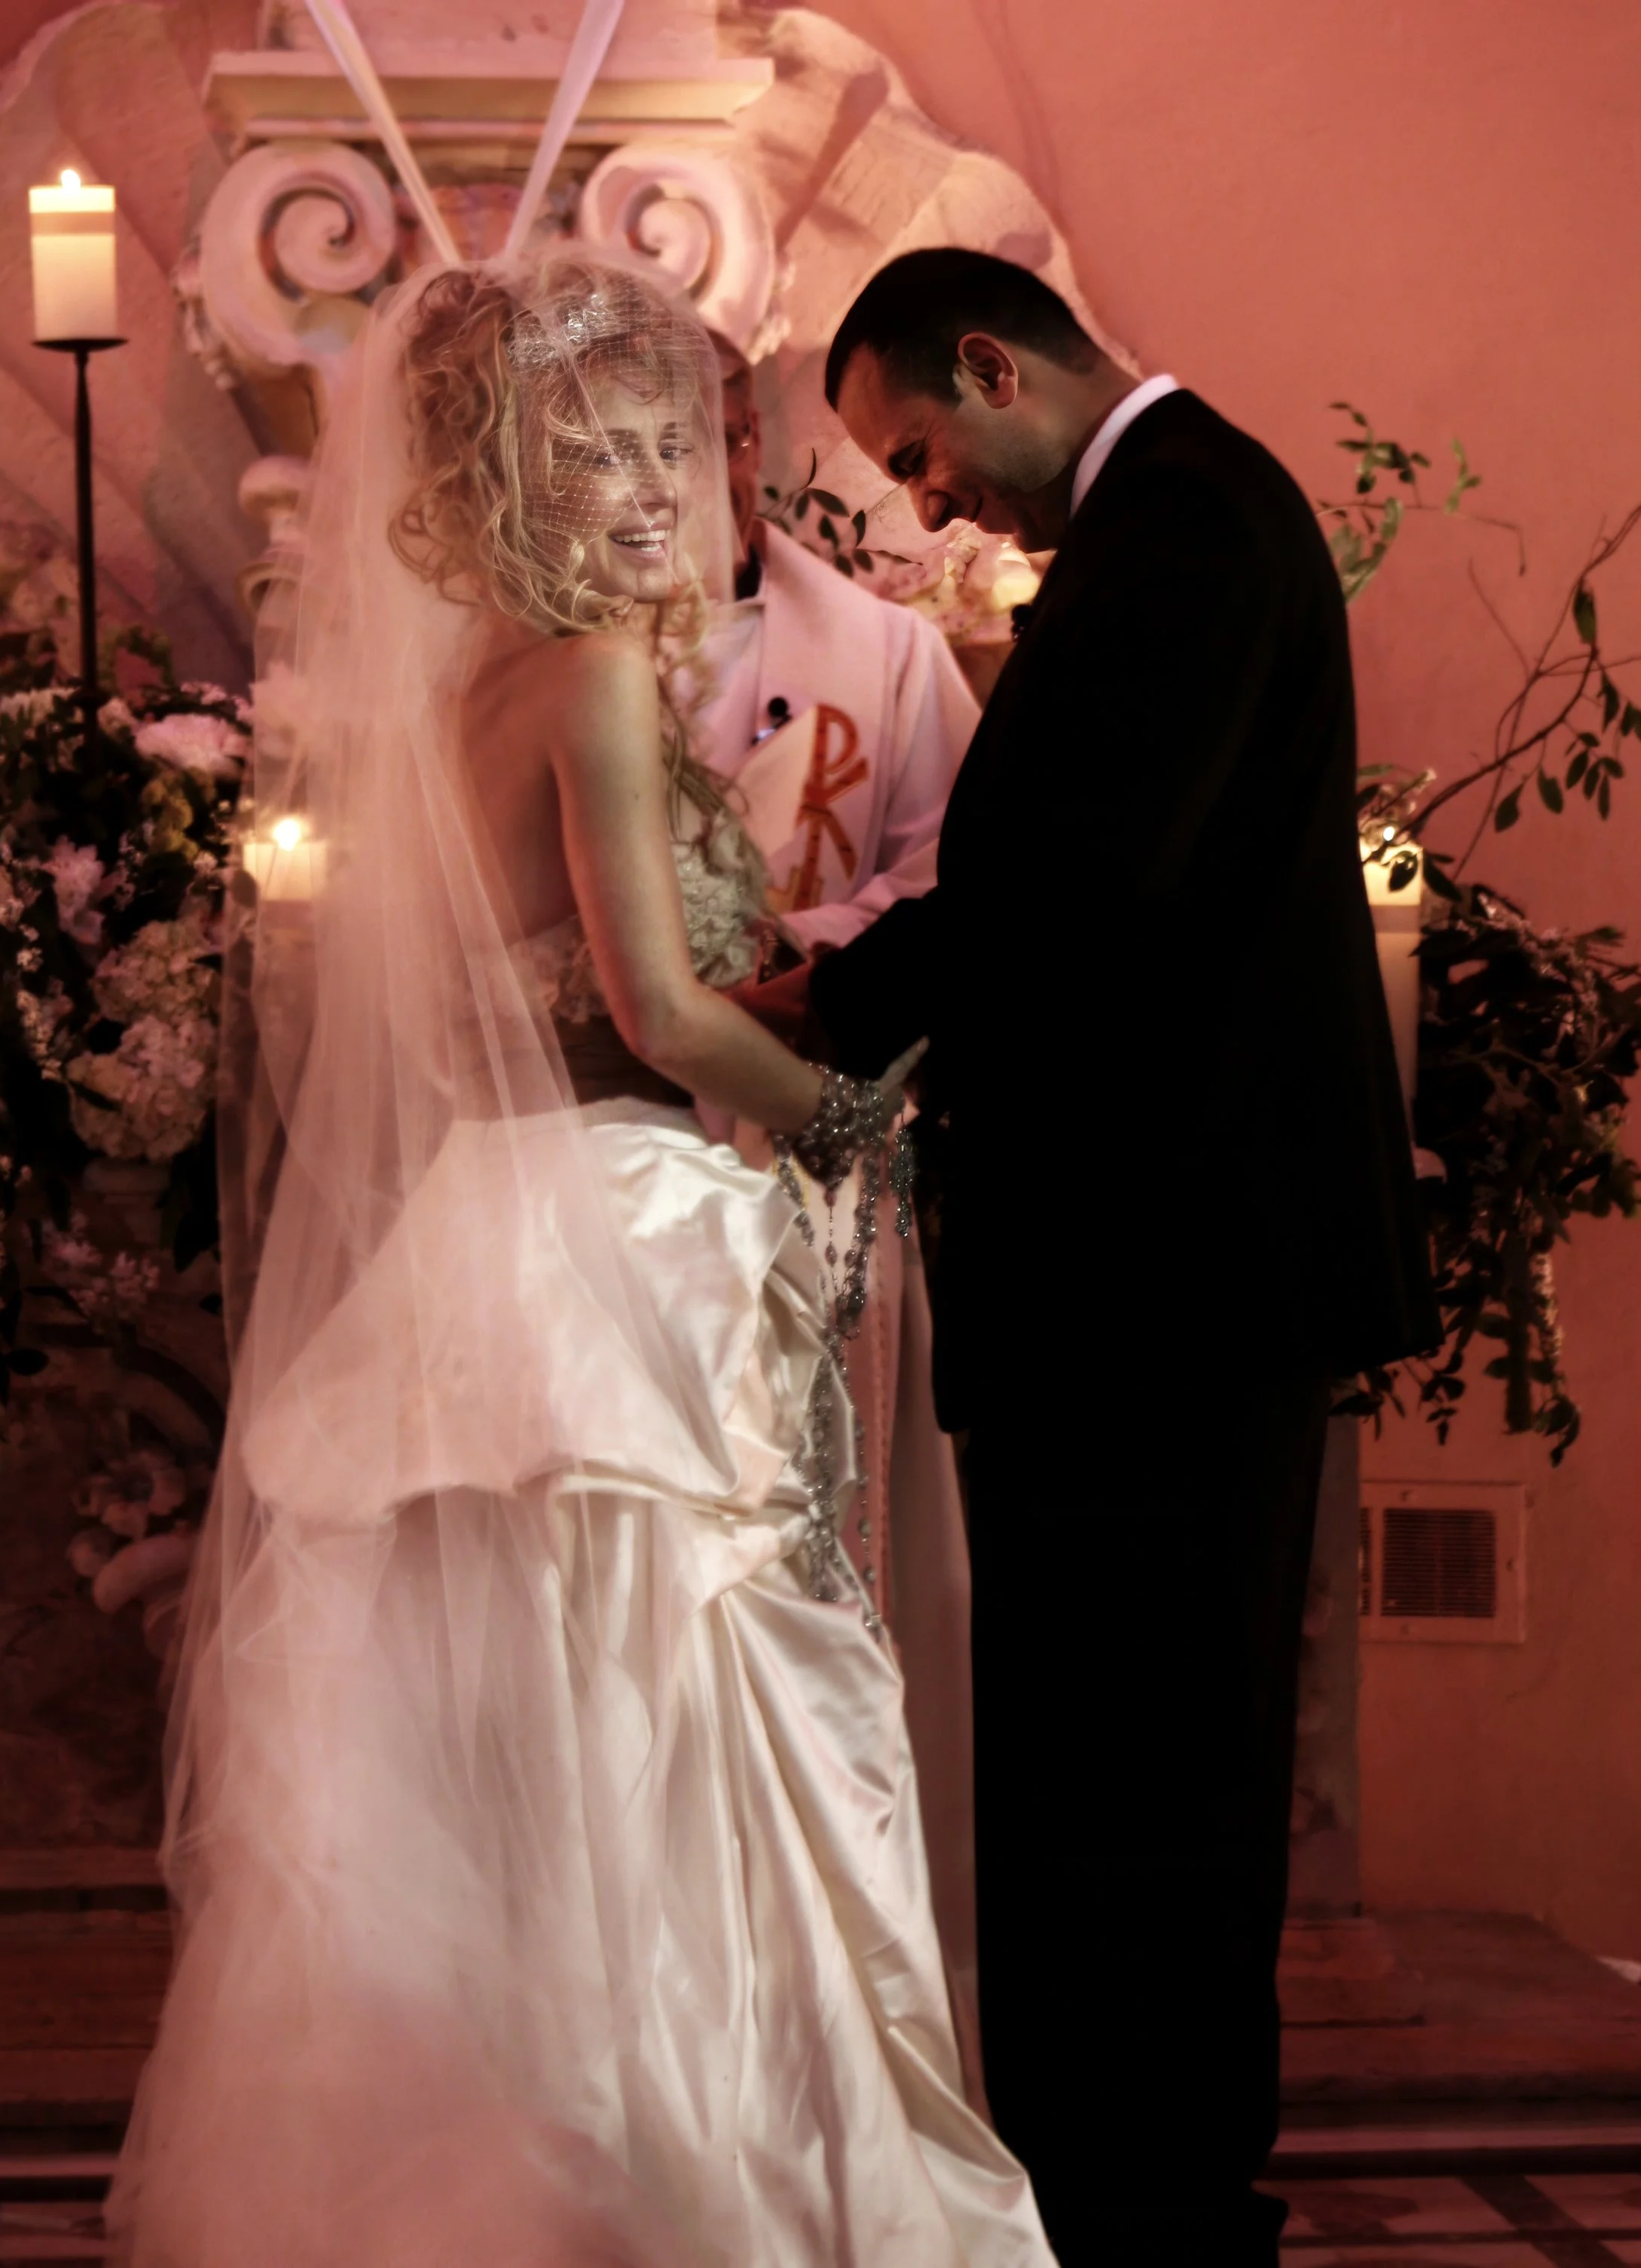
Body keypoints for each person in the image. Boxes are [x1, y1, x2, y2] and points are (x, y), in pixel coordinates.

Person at [105, 250, 1054, 2268]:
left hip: (495, 1226)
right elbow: (666, 1011)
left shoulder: (467, 694)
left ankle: (508, 2163)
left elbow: (492, 1008)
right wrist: (859, 1131)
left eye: (670, 447)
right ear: (539, 474)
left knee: (519, 1731)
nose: (662, 486)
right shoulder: (608, 685)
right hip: (628, 1226)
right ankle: (674, 2178)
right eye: (612, 449)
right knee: (672, 1712)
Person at [760, 246, 1437, 2267]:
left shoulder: (1188, 527)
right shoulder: (1182, 516)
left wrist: (822, 998)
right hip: (1164, 1260)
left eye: (923, 451)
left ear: (995, 363)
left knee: (1154, 1762)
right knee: (1127, 1749)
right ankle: (1115, 2176)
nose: (932, 501)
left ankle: (1147, 2199)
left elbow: (1075, 880)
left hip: (1174, 1266)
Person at [698, 331, 990, 2086]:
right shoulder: (565, 653)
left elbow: (965, 871)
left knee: (847, 1594)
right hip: (629, 1179)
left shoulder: (882, 651)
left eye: (726, 434)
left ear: (761, 441)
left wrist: (810, 963)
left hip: (825, 1168)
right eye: (660, 439)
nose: (700, 474)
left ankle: (881, 2036)